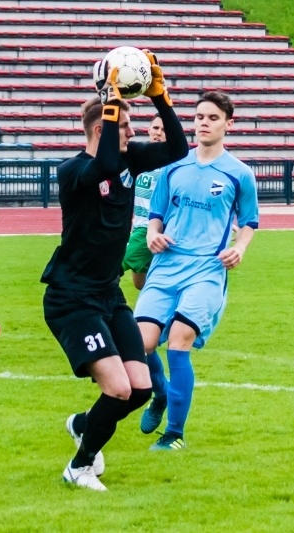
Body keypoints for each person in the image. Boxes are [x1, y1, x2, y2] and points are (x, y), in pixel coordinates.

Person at [41, 55, 188, 491]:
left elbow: (177, 149)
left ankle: (84, 423)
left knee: (140, 388)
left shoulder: (129, 160)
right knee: (120, 389)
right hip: (71, 299)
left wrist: (161, 98)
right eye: (125, 126)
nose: (133, 132)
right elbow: (102, 166)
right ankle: (79, 466)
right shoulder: (74, 172)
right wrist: (110, 102)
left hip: (108, 296)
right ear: (101, 129)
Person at [135, 91, 259, 451]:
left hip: (206, 269)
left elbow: (249, 221)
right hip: (166, 267)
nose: (203, 123)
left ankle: (174, 434)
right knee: (140, 344)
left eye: (212, 118)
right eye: (199, 117)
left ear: (228, 124)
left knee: (178, 341)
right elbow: (154, 215)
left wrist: (239, 247)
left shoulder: (239, 173)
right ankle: (160, 395)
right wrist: (155, 235)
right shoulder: (174, 167)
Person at [122, 113, 166, 293]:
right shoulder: (139, 158)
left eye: (164, 130)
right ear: (148, 130)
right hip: (137, 225)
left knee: (109, 267)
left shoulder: (172, 164)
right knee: (140, 283)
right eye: (156, 128)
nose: (159, 133)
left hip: (150, 229)